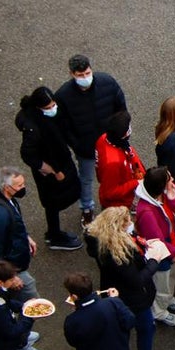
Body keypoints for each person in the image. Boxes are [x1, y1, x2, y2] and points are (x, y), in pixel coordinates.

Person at [85, 207, 172, 350]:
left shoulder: (100, 242)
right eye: (127, 222)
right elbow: (137, 280)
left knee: (122, 330)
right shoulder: (118, 253)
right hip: (134, 299)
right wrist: (154, 261)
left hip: (114, 295)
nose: (131, 223)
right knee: (146, 328)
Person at [53, 54, 127, 224]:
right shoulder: (63, 96)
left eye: (87, 73)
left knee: (116, 175)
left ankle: (117, 204)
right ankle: (87, 208)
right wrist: (77, 145)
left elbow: (121, 109)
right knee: (86, 179)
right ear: (72, 74)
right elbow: (63, 126)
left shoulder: (107, 83)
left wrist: (119, 133)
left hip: (111, 143)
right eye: (80, 75)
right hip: (86, 148)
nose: (85, 78)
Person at [0, 166, 47, 350]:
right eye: (19, 185)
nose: (23, 188)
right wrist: (11, 277)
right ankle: (21, 345)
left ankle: (22, 335)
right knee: (30, 300)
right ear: (6, 187)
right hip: (12, 270)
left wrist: (26, 237)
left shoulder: (6, 201)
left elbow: (14, 225)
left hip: (15, 265)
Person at [15, 86, 81, 250]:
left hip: (59, 163)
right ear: (38, 108)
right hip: (50, 172)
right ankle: (54, 236)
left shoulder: (43, 119)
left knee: (54, 201)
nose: (53, 109)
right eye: (48, 107)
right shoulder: (34, 129)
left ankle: (54, 234)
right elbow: (27, 154)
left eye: (53, 105)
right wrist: (50, 169)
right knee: (52, 203)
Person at [134, 166, 175, 326]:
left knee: (171, 277)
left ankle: (168, 300)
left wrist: (174, 197)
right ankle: (159, 312)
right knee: (161, 284)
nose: (173, 180)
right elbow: (156, 241)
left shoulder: (169, 191)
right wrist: (172, 253)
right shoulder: (147, 212)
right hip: (161, 252)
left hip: (172, 242)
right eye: (169, 179)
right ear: (160, 186)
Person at [94, 110, 144, 209]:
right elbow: (110, 192)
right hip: (118, 206)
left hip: (123, 186)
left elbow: (127, 150)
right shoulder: (112, 163)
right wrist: (136, 182)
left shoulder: (105, 138)